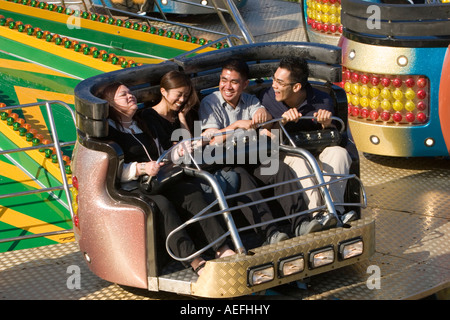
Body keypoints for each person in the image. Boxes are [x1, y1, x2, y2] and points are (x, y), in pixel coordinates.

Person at [99, 82, 235, 276]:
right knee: (161, 205)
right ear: (110, 104)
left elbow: (163, 154)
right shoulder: (110, 132)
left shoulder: (142, 124)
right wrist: (141, 168)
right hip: (132, 186)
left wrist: (178, 151)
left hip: (158, 180)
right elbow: (110, 170)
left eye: (130, 92)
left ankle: (221, 247)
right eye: (123, 95)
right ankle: (194, 260)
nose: (130, 96)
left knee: (192, 193)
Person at [199, 58, 320, 239]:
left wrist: (262, 114)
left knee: (280, 169)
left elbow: (263, 118)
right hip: (228, 162)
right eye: (224, 80)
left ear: (245, 84)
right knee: (242, 179)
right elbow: (212, 139)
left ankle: (301, 223)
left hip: (252, 156)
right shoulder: (210, 103)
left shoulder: (250, 100)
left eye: (234, 82)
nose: (227, 86)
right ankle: (270, 233)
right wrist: (237, 125)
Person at [259, 56, 357, 228]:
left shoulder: (322, 100)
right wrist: (282, 122)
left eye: (280, 83)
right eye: (274, 79)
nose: (274, 85)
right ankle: (315, 214)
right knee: (301, 161)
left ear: (296, 87)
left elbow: (334, 135)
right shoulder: (269, 98)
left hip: (317, 149)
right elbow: (267, 135)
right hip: (286, 152)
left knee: (339, 153)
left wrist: (327, 123)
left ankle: (335, 211)